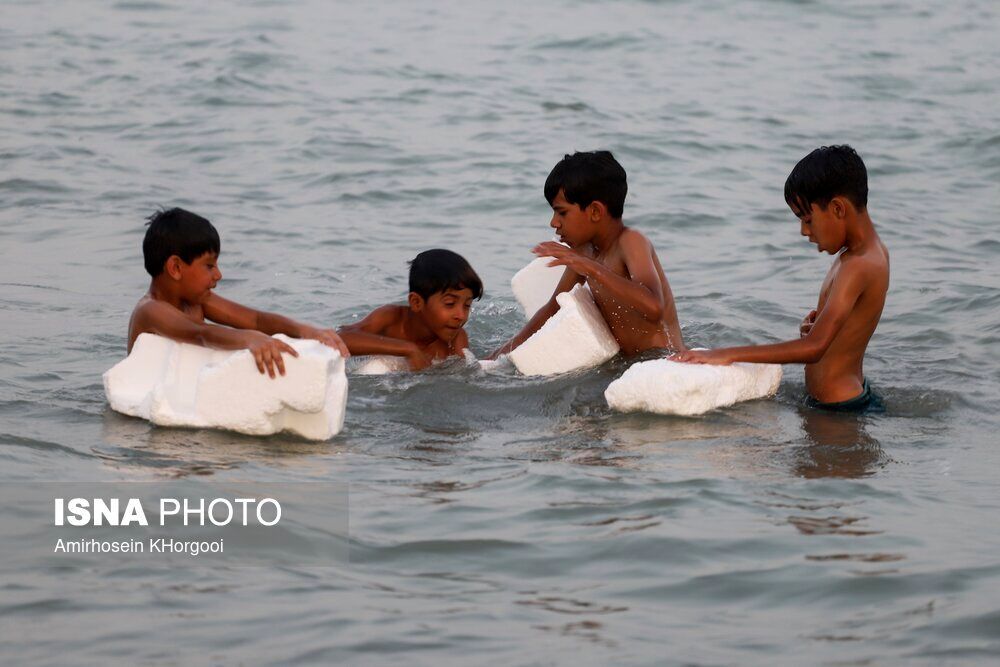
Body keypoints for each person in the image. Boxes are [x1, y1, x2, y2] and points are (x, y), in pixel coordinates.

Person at [672, 145, 889, 411]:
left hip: (838, 410)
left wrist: (726, 354)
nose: (803, 231)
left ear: (837, 209)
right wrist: (818, 327)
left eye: (808, 220)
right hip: (844, 399)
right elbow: (834, 338)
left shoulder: (858, 265)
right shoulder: (863, 254)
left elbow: (815, 348)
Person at [491, 150, 685, 358]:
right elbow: (551, 309)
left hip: (664, 359)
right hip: (626, 364)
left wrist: (590, 267)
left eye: (562, 212)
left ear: (595, 211)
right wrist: (499, 356)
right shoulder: (585, 251)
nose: (553, 222)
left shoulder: (631, 242)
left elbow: (654, 307)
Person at [128, 208, 349, 378]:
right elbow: (199, 333)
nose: (219, 275)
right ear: (176, 267)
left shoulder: (197, 301)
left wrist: (304, 330)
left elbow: (255, 319)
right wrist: (250, 339)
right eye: (209, 266)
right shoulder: (150, 310)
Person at [338, 249, 482, 371]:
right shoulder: (390, 318)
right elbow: (342, 337)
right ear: (416, 302)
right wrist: (408, 349)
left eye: (467, 305)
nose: (461, 315)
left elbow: (468, 376)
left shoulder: (456, 339)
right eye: (450, 304)